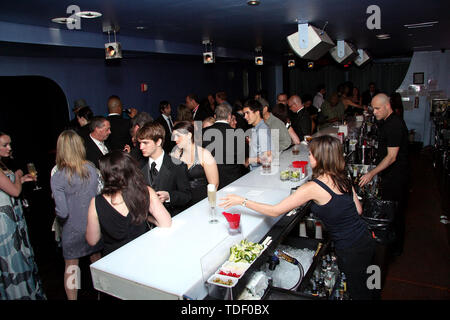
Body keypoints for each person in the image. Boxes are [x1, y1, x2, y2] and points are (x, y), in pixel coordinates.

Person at [220, 135, 375, 300]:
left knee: (359, 292)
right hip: (365, 239)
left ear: (320, 157)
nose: (308, 157)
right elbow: (357, 210)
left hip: (349, 249)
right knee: (371, 287)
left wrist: (242, 201)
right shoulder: (343, 178)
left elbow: (275, 211)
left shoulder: (313, 187)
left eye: (310, 154)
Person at [86, 151, 172, 256]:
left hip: (113, 258)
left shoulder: (96, 202)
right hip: (144, 252)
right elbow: (166, 223)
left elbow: (92, 240)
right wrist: (147, 217)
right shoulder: (146, 191)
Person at [50, 130, 103, 300]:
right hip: (93, 226)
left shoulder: (58, 176)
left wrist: (56, 206)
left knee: (72, 267)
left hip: (72, 229)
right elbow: (99, 195)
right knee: (97, 261)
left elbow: (63, 212)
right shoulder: (91, 168)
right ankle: (103, 294)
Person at [359, 93, 409, 256]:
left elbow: (392, 157)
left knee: (395, 212)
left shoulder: (394, 124)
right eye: (373, 108)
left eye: (377, 108)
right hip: (390, 174)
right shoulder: (387, 122)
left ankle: (395, 249)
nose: (374, 112)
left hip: (397, 176)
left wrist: (371, 173)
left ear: (388, 106)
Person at [0, 132, 46, 300]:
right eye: (4, 145)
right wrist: (19, 175)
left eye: (9, 144)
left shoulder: (3, 165)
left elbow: (11, 185)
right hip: (5, 224)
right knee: (14, 261)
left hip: (14, 218)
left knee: (22, 256)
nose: (9, 148)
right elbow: (14, 190)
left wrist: (22, 178)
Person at [137, 121, 192, 216]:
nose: (141, 147)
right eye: (140, 143)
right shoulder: (138, 166)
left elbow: (187, 196)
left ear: (158, 142)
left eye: (145, 143)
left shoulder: (177, 166)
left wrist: (169, 196)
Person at [172, 121, 219, 205]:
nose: (175, 139)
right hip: (182, 204)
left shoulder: (204, 154)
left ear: (189, 135)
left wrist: (207, 205)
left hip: (202, 202)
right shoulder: (176, 154)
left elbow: (214, 185)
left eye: (178, 136)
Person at [203, 103, 246, 189]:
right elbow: (241, 160)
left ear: (215, 117)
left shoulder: (201, 132)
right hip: (233, 181)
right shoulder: (238, 134)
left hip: (209, 182)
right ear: (229, 117)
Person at [243, 99, 272, 170]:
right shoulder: (257, 128)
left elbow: (267, 157)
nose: (245, 117)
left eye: (248, 113)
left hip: (260, 171)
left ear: (257, 113)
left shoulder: (262, 130)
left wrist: (249, 160)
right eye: (244, 114)